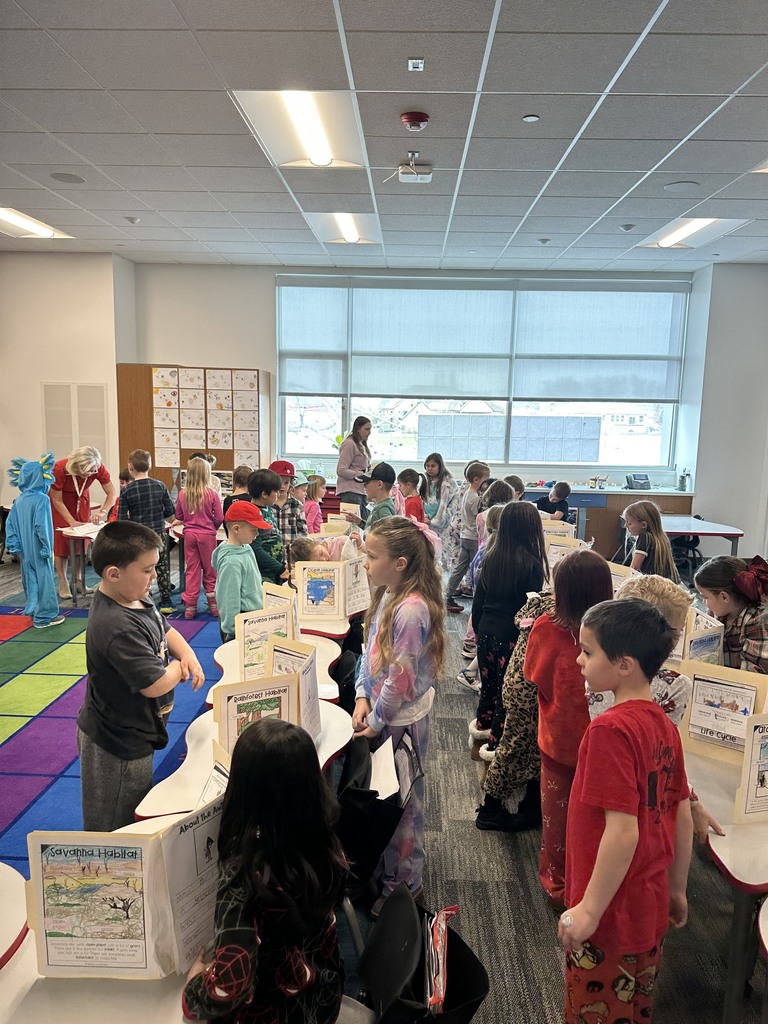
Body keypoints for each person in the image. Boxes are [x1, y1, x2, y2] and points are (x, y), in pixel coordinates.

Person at [558, 599, 693, 1024]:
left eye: (588, 651)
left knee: (593, 1011)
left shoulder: (609, 730)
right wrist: (677, 890)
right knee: (634, 1008)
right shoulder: (664, 725)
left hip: (610, 916)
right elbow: (681, 812)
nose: (579, 660)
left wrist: (590, 910)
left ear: (624, 665)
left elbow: (622, 833)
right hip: (649, 904)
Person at [182, 718, 347, 1024]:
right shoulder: (325, 841)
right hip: (321, 996)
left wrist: (194, 989)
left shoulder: (245, 876)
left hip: (273, 1012)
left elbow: (230, 986)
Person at [76, 521, 204, 831]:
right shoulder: (116, 626)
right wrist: (177, 668)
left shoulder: (133, 596)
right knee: (115, 821)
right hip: (116, 742)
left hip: (135, 729)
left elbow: (165, 628)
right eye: (146, 570)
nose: (153, 578)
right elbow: (153, 684)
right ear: (114, 573)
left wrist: (187, 653)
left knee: (133, 802)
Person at [352, 517, 446, 917]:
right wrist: (360, 695)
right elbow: (369, 651)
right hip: (382, 713)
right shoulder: (390, 594)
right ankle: (389, 868)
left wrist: (375, 720)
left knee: (404, 804)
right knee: (386, 797)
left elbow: (400, 678)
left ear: (401, 563)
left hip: (400, 720)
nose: (365, 563)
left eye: (372, 557)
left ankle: (405, 886)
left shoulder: (410, 610)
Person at [524, 550, 614, 906]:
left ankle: (558, 884)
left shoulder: (547, 627)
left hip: (559, 740)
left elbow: (535, 676)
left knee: (557, 819)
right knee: (597, 820)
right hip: (604, 745)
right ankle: (593, 885)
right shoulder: (615, 633)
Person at [471, 501, 549, 754]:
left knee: (488, 686)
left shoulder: (492, 556)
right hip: (512, 637)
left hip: (486, 631)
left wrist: (480, 628)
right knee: (506, 693)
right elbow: (529, 610)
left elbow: (478, 602)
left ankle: (481, 729)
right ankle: (495, 744)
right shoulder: (532, 564)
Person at [49, 445, 117, 599]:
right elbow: (56, 499)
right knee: (61, 544)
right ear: (76, 466)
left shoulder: (97, 467)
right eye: (86, 471)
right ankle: (63, 581)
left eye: (92, 471)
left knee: (82, 542)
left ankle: (79, 579)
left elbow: (111, 493)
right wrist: (71, 521)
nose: (89, 474)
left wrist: (103, 511)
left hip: (82, 502)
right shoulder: (60, 468)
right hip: (62, 505)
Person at [6, 452, 64, 629]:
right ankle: (44, 617)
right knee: (44, 579)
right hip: (39, 548)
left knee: (30, 579)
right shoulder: (42, 500)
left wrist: (14, 545)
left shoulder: (19, 501)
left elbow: (10, 526)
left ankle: (34, 612)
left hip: (25, 550)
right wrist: (47, 546)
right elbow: (42, 526)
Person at [119, 449, 175, 612]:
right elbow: (170, 510)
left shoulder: (127, 490)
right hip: (159, 533)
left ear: (130, 467)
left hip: (139, 536)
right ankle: (166, 601)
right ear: (149, 466)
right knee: (162, 566)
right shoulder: (160, 485)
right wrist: (159, 516)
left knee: (140, 566)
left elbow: (121, 518)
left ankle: (143, 597)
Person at [694, 554, 768, 675]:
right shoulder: (721, 612)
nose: (703, 602)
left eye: (705, 597)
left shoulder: (755, 623)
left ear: (724, 597)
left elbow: (752, 678)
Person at [213, 501, 271, 644]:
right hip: (240, 628)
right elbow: (228, 599)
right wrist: (233, 631)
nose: (257, 534)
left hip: (254, 619)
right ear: (236, 529)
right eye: (253, 529)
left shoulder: (246, 547)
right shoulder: (231, 562)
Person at [175, 456, 224, 619]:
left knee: (192, 570)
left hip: (189, 535)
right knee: (210, 570)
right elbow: (219, 517)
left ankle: (190, 607)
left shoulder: (183, 494)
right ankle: (214, 605)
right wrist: (212, 528)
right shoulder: (212, 494)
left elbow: (179, 515)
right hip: (207, 535)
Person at [446, 460, 491, 612]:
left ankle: (447, 595)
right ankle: (480, 601)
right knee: (478, 569)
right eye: (485, 480)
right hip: (472, 537)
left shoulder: (466, 493)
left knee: (460, 568)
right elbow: (478, 516)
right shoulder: (475, 498)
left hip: (465, 535)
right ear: (477, 480)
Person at [247, 468, 288, 585]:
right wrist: (280, 568)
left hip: (275, 568)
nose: (279, 495)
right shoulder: (252, 514)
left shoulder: (268, 508)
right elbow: (255, 549)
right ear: (264, 494)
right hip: (264, 573)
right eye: (276, 492)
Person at [622, 499, 679, 581]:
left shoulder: (645, 537)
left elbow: (634, 568)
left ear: (643, 525)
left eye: (629, 523)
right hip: (663, 584)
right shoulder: (662, 537)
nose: (625, 526)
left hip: (649, 585)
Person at [421, 452, 458, 559]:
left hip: (442, 525)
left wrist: (444, 517)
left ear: (440, 466)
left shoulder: (449, 483)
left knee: (443, 553)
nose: (429, 468)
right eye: (427, 466)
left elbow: (454, 503)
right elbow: (420, 499)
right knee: (428, 553)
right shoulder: (424, 481)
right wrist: (425, 517)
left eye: (433, 466)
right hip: (426, 522)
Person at [335, 416, 372, 521]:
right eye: (367, 429)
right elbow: (341, 470)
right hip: (351, 492)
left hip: (360, 491)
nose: (369, 432)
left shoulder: (361, 445)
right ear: (358, 429)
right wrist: (360, 474)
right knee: (352, 525)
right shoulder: (349, 444)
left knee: (364, 523)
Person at [344, 462, 397, 534]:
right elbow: (372, 529)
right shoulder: (381, 505)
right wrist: (359, 521)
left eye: (367, 483)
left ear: (379, 484)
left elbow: (387, 535)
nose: (364, 486)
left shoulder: (383, 508)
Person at [290, 533, 362, 563]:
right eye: (318, 562)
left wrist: (359, 545)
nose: (324, 559)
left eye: (321, 553)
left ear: (318, 542)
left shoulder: (342, 543)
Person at [222, 464, 252, 534]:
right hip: (248, 537)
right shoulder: (251, 499)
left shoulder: (227, 500)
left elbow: (225, 522)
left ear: (234, 480)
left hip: (232, 536)